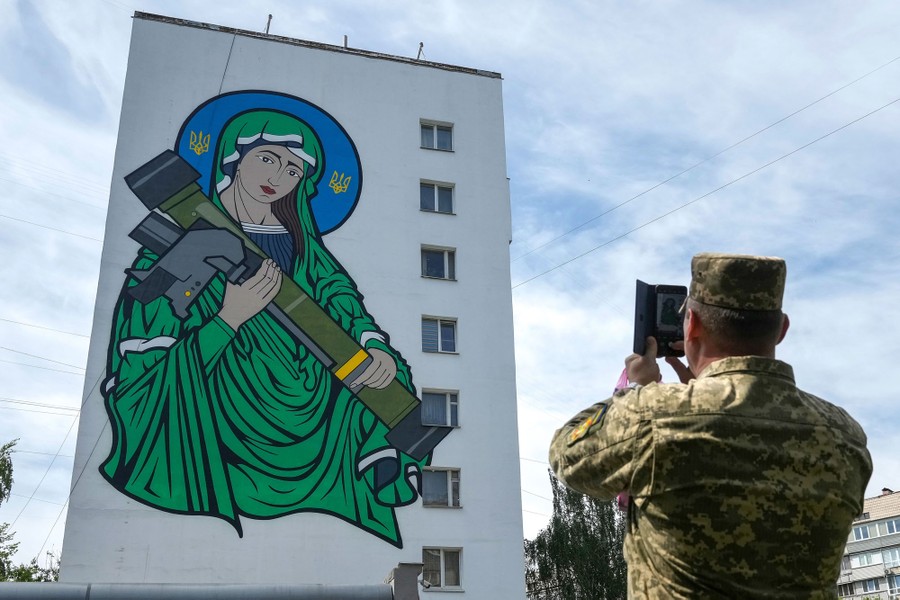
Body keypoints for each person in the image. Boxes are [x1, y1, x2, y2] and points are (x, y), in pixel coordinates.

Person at [101, 110, 423, 547]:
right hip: (223, 376)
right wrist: (228, 319)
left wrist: (374, 345)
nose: (280, 176)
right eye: (268, 158)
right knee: (165, 377)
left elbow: (339, 297)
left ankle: (377, 461)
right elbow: (149, 319)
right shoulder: (182, 227)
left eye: (294, 170)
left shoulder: (301, 242)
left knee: (381, 374)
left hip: (305, 373)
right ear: (236, 156)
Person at [549, 252, 872, 598]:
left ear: (693, 324)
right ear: (781, 329)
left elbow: (567, 454)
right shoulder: (846, 437)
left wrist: (638, 391)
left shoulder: (654, 417)